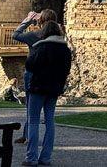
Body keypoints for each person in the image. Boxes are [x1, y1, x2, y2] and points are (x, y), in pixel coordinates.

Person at [22, 21, 72, 167]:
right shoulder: (65, 50)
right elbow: (66, 69)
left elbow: (30, 65)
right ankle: (46, 157)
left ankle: (31, 157)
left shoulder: (41, 47)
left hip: (38, 87)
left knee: (33, 121)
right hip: (54, 89)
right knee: (50, 121)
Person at [13, 9, 58, 144]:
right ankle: (32, 138)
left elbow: (16, 35)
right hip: (51, 75)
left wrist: (27, 20)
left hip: (33, 74)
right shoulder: (59, 37)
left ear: (41, 21)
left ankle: (29, 138)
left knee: (31, 107)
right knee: (49, 115)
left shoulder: (35, 35)